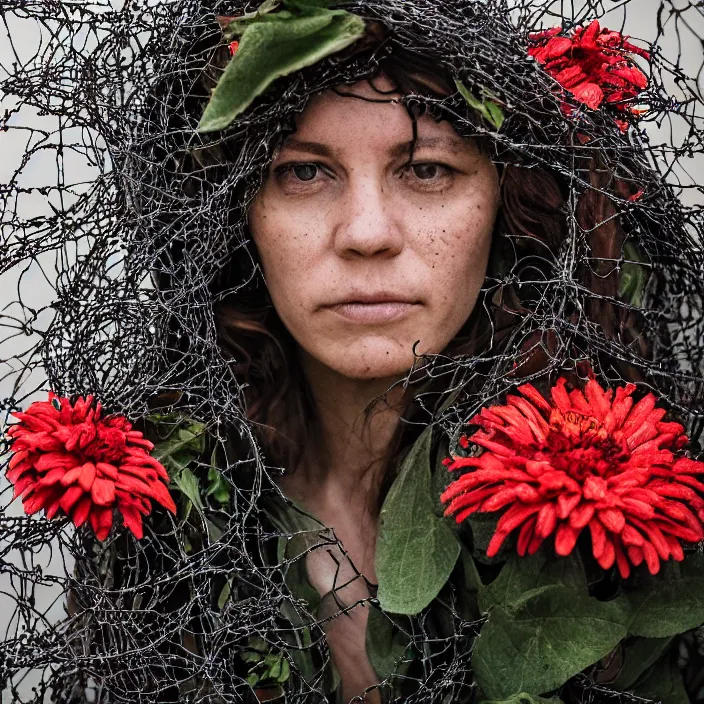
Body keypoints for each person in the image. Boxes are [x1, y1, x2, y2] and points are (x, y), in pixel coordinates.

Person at [2, 1, 704, 703]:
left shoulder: (633, 540)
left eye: (427, 170)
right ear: (235, 217)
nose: (367, 233)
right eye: (304, 173)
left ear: (508, 207)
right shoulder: (163, 513)